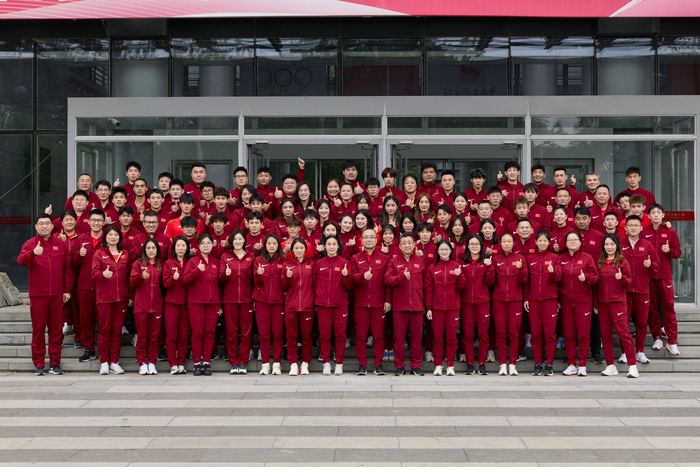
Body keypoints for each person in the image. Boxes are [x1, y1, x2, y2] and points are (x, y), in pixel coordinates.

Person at [17, 214, 73, 376]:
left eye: (47, 223)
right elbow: (20, 260)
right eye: (41, 223)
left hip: (56, 295)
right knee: (38, 329)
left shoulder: (60, 244)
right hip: (38, 295)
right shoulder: (30, 244)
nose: (44, 226)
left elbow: (67, 269)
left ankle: (55, 363)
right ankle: (39, 364)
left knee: (56, 330)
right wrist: (33, 253)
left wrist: (67, 290)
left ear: (52, 226)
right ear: (36, 226)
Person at [594, 234, 638, 378]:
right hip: (602, 304)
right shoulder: (600, 262)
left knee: (623, 334)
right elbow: (596, 285)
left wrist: (622, 278)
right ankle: (610, 366)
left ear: (617, 245)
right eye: (607, 244)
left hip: (618, 302)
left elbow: (629, 282)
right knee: (605, 335)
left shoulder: (623, 262)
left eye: (612, 244)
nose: (609, 247)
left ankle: (632, 366)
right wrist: (595, 303)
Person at [350, 228, 391, 376]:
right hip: (360, 304)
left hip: (378, 303)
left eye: (372, 237)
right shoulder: (355, 258)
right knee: (361, 337)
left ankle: (378, 364)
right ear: (361, 240)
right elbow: (351, 278)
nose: (369, 240)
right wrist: (362, 276)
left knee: (379, 336)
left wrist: (388, 300)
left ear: (376, 240)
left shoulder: (384, 258)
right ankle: (362, 364)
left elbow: (387, 282)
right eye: (366, 237)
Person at [91, 225, 131, 375]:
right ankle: (104, 362)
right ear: (105, 237)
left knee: (116, 331)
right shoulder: (99, 253)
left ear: (120, 237)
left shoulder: (124, 254)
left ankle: (114, 362)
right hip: (105, 298)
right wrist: (103, 274)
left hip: (121, 299)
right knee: (104, 331)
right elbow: (94, 273)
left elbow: (129, 276)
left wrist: (130, 296)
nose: (113, 237)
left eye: (116, 235)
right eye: (110, 234)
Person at [557, 231, 599, 376]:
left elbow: (595, 277)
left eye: (575, 239)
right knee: (568, 335)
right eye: (570, 240)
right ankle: (571, 364)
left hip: (583, 302)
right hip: (566, 303)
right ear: (565, 243)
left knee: (583, 335)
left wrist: (586, 277)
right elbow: (557, 280)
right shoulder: (561, 258)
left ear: (580, 242)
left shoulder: (587, 258)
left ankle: (582, 365)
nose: (573, 242)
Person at [385, 233, 427, 376]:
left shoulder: (420, 261)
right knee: (399, 338)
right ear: (400, 246)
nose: (407, 245)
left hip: (417, 305)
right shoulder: (394, 261)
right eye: (404, 243)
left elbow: (426, 284)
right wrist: (401, 277)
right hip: (400, 306)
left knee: (416, 338)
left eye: (410, 243)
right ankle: (399, 366)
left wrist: (426, 304)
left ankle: (416, 366)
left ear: (414, 245)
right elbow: (387, 280)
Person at [619, 215, 659, 365]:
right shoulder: (619, 244)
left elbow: (657, 265)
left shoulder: (647, 245)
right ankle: (625, 353)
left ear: (641, 228)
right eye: (630, 225)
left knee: (642, 322)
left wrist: (651, 264)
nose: (633, 228)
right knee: (623, 323)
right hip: (624, 290)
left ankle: (640, 351)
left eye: (636, 225)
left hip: (642, 290)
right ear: (626, 228)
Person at [644, 204, 682, 355]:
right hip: (649, 276)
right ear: (649, 216)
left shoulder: (670, 231)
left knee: (668, 309)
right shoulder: (644, 231)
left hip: (665, 276)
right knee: (652, 309)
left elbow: (678, 253)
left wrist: (669, 250)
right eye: (653, 212)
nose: (656, 215)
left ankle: (672, 341)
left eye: (658, 212)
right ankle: (657, 338)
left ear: (663, 215)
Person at [183, 233, 222, 376]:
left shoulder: (216, 262)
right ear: (198, 246)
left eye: (208, 243)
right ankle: (196, 363)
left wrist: (220, 305)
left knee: (210, 332)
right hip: (196, 302)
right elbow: (184, 280)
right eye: (203, 243)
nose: (206, 245)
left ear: (213, 245)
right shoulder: (193, 261)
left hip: (213, 303)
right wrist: (196, 271)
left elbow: (220, 285)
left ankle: (206, 362)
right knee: (197, 333)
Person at [425, 240, 466, 376]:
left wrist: (460, 276)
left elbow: (461, 287)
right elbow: (429, 289)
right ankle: (437, 365)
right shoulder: (432, 268)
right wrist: (428, 308)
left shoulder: (456, 266)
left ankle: (450, 364)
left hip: (452, 308)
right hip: (436, 308)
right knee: (437, 338)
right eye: (441, 249)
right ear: (437, 251)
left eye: (446, 249)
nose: (444, 252)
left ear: (450, 251)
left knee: (452, 338)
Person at [314, 235, 353, 376]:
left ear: (338, 246)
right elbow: (314, 284)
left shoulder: (344, 263)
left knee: (340, 335)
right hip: (323, 304)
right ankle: (326, 363)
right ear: (325, 246)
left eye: (334, 244)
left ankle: (339, 363)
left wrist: (346, 275)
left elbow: (348, 286)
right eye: (328, 244)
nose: (331, 247)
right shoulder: (319, 264)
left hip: (340, 304)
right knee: (324, 335)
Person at [524, 230, 561, 376]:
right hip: (534, 301)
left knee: (550, 334)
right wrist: (526, 298)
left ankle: (549, 364)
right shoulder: (530, 258)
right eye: (540, 240)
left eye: (545, 241)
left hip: (549, 300)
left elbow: (559, 278)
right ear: (536, 242)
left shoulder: (554, 258)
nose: (542, 243)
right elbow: (526, 280)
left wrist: (553, 272)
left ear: (549, 242)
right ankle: (537, 364)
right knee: (536, 334)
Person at [491, 232, 528, 376]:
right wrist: (489, 267)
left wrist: (520, 269)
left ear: (513, 243)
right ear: (500, 243)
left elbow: (524, 280)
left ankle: (512, 364)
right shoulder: (495, 259)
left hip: (515, 300)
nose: (506, 244)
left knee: (514, 333)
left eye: (509, 241)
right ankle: (502, 364)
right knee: (500, 333)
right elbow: (490, 281)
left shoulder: (520, 259)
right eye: (504, 241)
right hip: (499, 300)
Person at [219, 230, 256, 374]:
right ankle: (234, 362)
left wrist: (254, 298)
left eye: (240, 239)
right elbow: (221, 278)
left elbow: (255, 280)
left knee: (246, 333)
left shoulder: (251, 256)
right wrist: (225, 274)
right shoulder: (225, 256)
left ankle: (243, 362)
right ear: (231, 241)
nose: (238, 241)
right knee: (231, 332)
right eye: (235, 239)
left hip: (247, 299)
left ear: (244, 241)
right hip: (230, 299)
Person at [72, 208, 106, 363]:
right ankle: (89, 349)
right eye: (94, 220)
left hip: (104, 286)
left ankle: (105, 350)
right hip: (84, 285)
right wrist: (79, 255)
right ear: (89, 222)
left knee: (104, 319)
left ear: (104, 222)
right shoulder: (81, 239)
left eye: (99, 220)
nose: (96, 223)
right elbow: (72, 263)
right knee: (86, 318)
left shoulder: (109, 238)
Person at [459, 234, 494, 375]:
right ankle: (469, 364)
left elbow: (491, 281)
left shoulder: (486, 261)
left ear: (481, 246)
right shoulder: (463, 262)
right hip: (467, 303)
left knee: (483, 335)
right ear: (467, 246)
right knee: (467, 335)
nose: (474, 246)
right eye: (472, 244)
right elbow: (460, 285)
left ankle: (482, 363)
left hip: (482, 303)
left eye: (477, 244)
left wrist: (490, 267)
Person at [253, 234, 286, 375]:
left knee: (278, 334)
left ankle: (277, 363)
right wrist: (258, 274)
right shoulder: (258, 260)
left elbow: (285, 283)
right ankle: (265, 364)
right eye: (269, 243)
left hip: (279, 302)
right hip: (262, 301)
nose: (272, 246)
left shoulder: (284, 260)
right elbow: (256, 282)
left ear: (278, 245)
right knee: (264, 334)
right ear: (265, 246)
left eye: (274, 243)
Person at [282, 238, 315, 376]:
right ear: (292, 250)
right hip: (291, 305)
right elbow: (283, 286)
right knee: (291, 336)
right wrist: (287, 277)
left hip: (307, 305)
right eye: (296, 248)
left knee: (306, 336)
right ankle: (293, 363)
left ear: (305, 249)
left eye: (301, 248)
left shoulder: (312, 264)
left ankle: (305, 362)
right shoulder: (287, 265)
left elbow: (315, 284)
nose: (299, 250)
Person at [130, 238, 164, 375]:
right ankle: (142, 363)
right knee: (142, 337)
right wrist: (140, 276)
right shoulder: (138, 264)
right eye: (148, 248)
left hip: (156, 306)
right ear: (144, 250)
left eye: (153, 248)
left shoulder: (160, 265)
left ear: (157, 250)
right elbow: (132, 282)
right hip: (141, 307)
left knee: (154, 337)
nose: (151, 250)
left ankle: (152, 362)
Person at [162, 236, 190, 374]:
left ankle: (181, 363)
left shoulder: (190, 262)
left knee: (184, 336)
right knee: (171, 336)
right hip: (172, 303)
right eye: (178, 245)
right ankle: (173, 363)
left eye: (183, 245)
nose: (180, 248)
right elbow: (165, 284)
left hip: (187, 305)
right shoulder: (168, 263)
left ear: (187, 248)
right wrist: (173, 279)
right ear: (174, 248)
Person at [55, 210, 81, 342]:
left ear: (76, 221)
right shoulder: (55, 237)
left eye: (71, 219)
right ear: (61, 222)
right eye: (66, 220)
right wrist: (61, 242)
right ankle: (58, 340)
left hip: (78, 279)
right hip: (60, 279)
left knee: (77, 309)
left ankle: (78, 338)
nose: (69, 222)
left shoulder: (82, 237)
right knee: (60, 310)